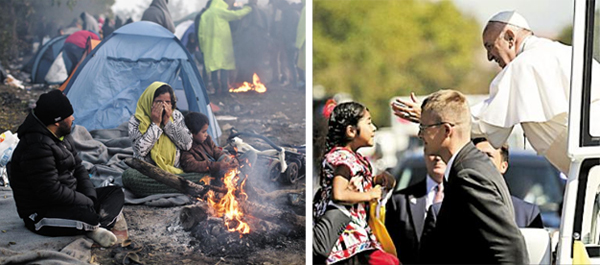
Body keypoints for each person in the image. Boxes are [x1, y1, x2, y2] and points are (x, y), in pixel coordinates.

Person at [392, 11, 600, 175]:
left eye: (490, 46)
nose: (490, 57)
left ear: (510, 38)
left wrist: (430, 116)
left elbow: (482, 121)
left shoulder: (524, 65)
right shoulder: (566, 52)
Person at [417, 89, 528, 264]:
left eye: (424, 128)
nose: (420, 135)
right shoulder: (468, 166)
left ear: (446, 130)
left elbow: (510, 247)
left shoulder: (468, 174)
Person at [7, 90, 124, 248]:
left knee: (115, 192)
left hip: (71, 199)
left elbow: (79, 167)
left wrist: (89, 196)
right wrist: (85, 202)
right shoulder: (35, 147)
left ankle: (95, 225)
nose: (73, 118)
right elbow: (51, 191)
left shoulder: (62, 135)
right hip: (42, 212)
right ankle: (93, 224)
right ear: (57, 121)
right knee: (88, 216)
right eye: (70, 115)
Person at [313, 102, 399, 265]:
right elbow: (339, 194)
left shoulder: (357, 159)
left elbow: (357, 184)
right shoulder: (343, 159)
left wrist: (377, 180)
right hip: (346, 240)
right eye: (368, 122)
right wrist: (369, 195)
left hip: (360, 236)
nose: (373, 128)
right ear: (351, 131)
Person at [121, 82, 193, 197]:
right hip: (147, 174)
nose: (164, 106)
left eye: (167, 102)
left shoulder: (176, 116)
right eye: (159, 102)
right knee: (129, 176)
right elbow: (141, 151)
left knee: (206, 174)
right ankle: (180, 187)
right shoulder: (136, 120)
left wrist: (167, 123)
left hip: (174, 171)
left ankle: (168, 187)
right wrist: (156, 124)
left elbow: (187, 144)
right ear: (150, 102)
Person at [385, 154, 445, 264]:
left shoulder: (463, 196)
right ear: (425, 153)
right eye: (433, 153)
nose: (438, 158)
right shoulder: (399, 200)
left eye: (442, 153)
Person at [472, 137, 544, 228]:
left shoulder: (527, 214)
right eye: (476, 155)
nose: (481, 160)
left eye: (488, 156)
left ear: (503, 166)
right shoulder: (456, 206)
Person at [199, 0, 252, 94]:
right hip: (223, 45)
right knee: (224, 67)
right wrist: (248, 9)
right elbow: (236, 15)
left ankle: (216, 89)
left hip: (210, 47)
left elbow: (201, 34)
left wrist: (203, 48)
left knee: (213, 68)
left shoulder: (205, 15)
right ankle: (224, 89)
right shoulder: (220, 11)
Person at [180, 112, 237, 180]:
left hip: (218, 167)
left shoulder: (207, 140)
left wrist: (228, 159)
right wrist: (216, 166)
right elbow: (192, 165)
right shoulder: (187, 149)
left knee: (248, 156)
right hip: (211, 174)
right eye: (203, 132)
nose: (206, 134)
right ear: (192, 133)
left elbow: (217, 151)